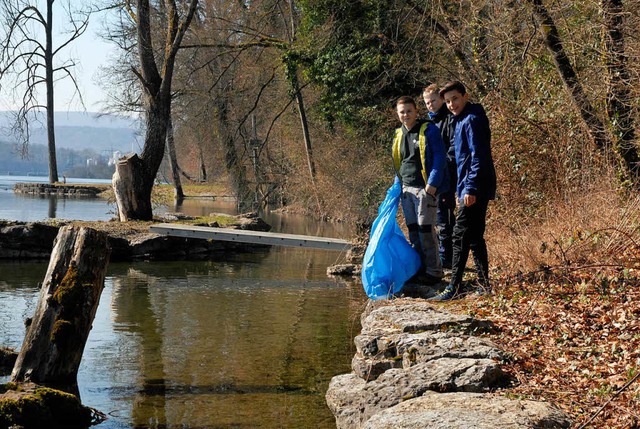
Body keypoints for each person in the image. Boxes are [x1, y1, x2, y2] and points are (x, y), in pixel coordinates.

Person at [429, 81, 496, 301]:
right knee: (475, 236)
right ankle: (484, 284)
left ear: (465, 96)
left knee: (459, 235)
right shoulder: (459, 121)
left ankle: (453, 287)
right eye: (447, 101)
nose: (451, 104)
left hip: (475, 187)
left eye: (455, 99)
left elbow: (479, 157)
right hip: (468, 186)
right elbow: (457, 158)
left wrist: (470, 187)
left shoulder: (472, 120)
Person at [392, 95, 449, 285]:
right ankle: (419, 268)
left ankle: (434, 272)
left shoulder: (428, 130)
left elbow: (440, 157)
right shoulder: (399, 134)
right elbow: (398, 163)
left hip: (424, 189)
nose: (406, 115)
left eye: (409, 111)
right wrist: (396, 187)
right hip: (406, 190)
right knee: (413, 231)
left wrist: (432, 184)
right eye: (402, 112)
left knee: (426, 230)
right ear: (397, 114)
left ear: (416, 111)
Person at [423, 84, 456, 269]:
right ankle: (440, 256)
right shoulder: (428, 124)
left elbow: (452, 146)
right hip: (433, 179)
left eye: (433, 100)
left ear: (441, 100)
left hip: (448, 177)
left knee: (445, 220)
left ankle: (447, 258)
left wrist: (444, 165)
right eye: (427, 102)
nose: (430, 105)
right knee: (435, 219)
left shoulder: (449, 119)